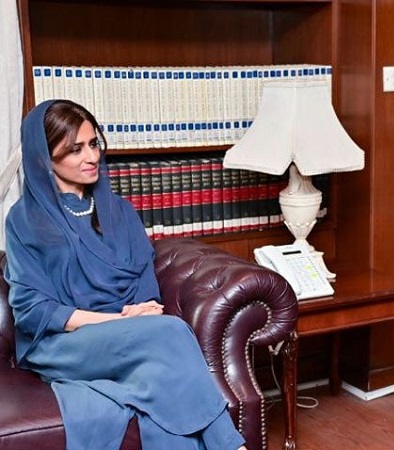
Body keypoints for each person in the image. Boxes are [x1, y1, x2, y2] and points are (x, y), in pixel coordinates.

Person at [4, 99, 247, 450]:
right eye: (75, 150)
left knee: (161, 382)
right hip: (61, 344)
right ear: (45, 158)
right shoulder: (23, 220)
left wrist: (139, 311)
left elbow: (144, 284)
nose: (92, 157)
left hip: (128, 336)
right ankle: (232, 445)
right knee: (172, 333)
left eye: (93, 144)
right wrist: (118, 321)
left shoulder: (120, 210)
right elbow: (34, 312)